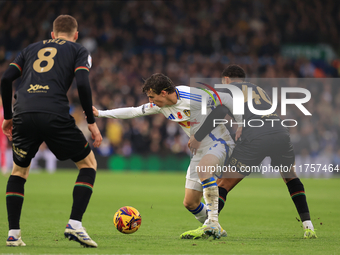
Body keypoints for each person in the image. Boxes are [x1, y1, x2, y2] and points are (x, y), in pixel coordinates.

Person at [93, 73, 239, 239]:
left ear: (163, 92)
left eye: (151, 97)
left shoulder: (192, 96)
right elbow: (133, 111)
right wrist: (100, 114)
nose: (150, 102)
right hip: (199, 151)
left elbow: (225, 99)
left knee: (204, 170)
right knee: (190, 202)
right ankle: (213, 226)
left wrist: (241, 124)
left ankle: (212, 223)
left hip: (220, 142)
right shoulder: (160, 105)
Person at [1, 15, 102, 247]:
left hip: (23, 114)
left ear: (52, 34)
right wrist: (90, 121)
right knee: (88, 165)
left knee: (18, 172)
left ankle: (13, 234)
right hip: (54, 113)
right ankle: (75, 224)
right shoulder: (79, 50)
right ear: (75, 35)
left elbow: (6, 80)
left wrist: (8, 116)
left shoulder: (29, 49)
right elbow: (83, 84)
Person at [187, 64, 317, 239]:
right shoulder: (258, 89)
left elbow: (220, 111)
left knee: (223, 184)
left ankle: (209, 226)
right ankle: (309, 227)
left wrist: (198, 136)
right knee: (291, 178)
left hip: (256, 137)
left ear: (225, 79)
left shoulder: (228, 89)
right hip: (280, 133)